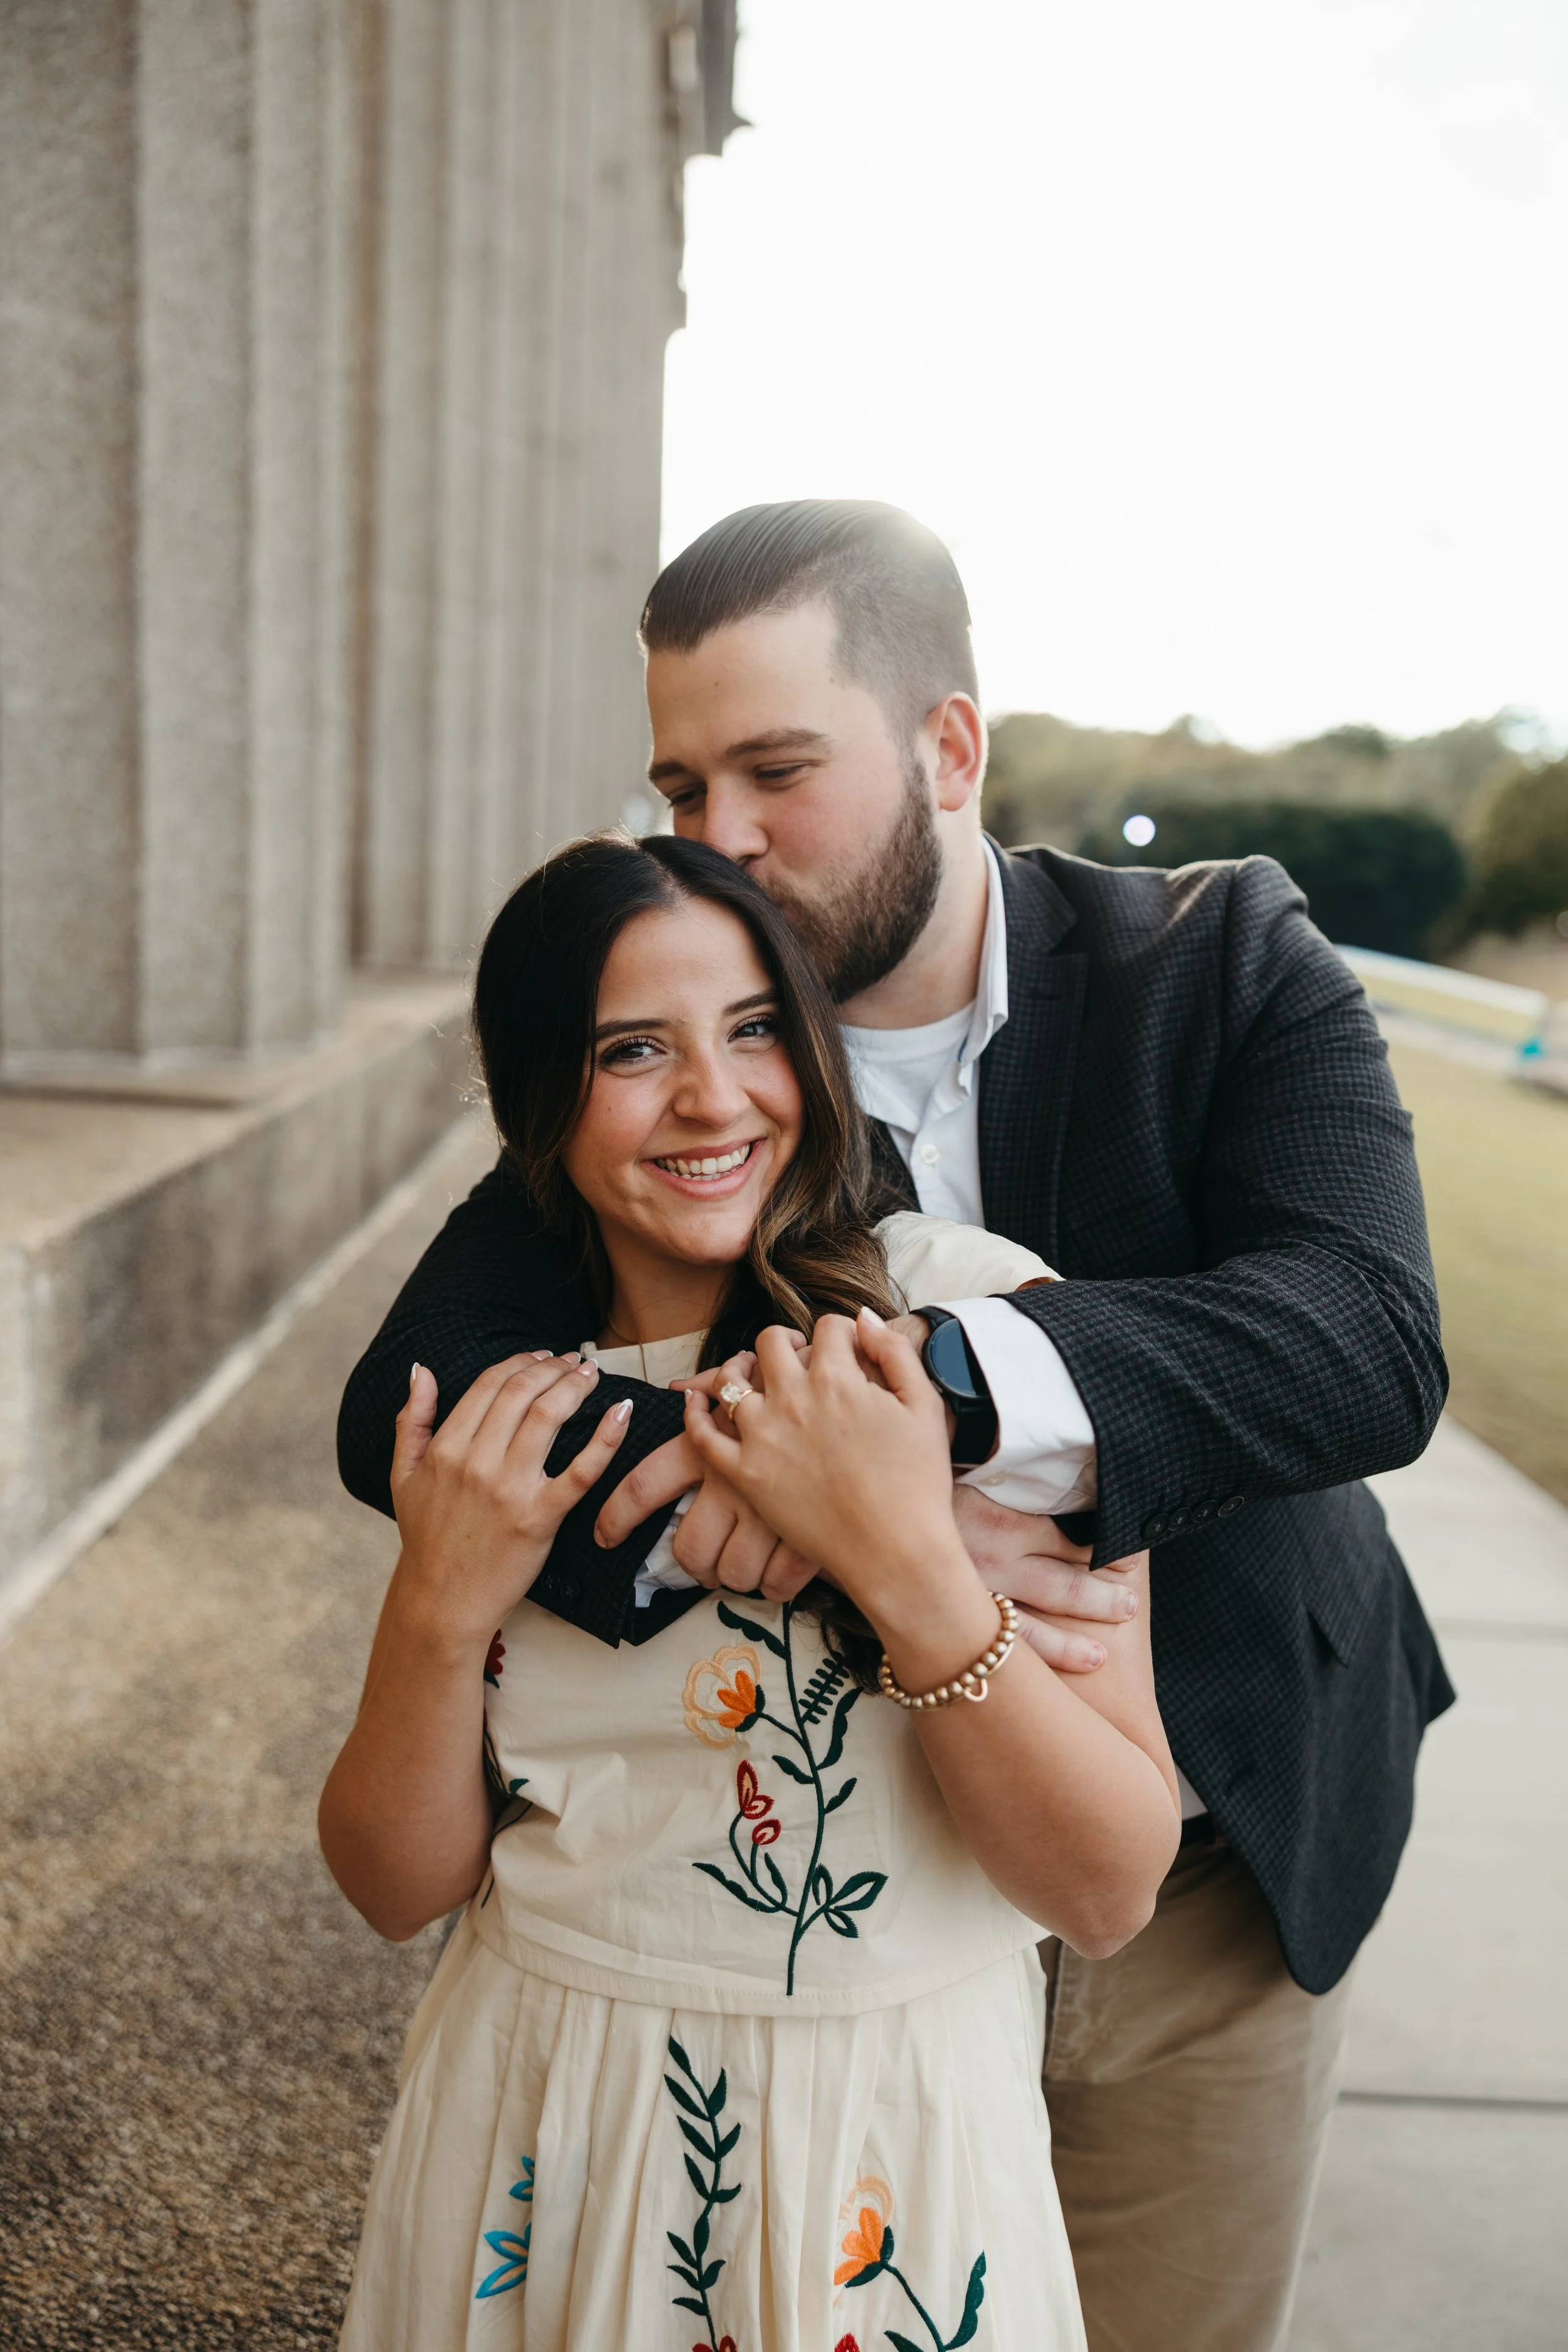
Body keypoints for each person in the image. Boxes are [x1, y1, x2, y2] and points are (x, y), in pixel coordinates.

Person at [337, 502, 1456, 2352]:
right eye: (681, 781)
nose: (720, 837)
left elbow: (1362, 1336)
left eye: (776, 768)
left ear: (949, 747)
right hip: (769, 1926)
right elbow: (411, 1401)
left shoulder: (1220, 959)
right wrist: (791, 1512)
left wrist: (908, 1408)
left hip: (1201, 1872)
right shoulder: (690, 1042)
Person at [320, 832, 1182, 2349]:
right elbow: (394, 1889)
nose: (713, 1100)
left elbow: (1108, 1892)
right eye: (630, 1051)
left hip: (893, 2142)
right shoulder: (503, 1411)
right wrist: (436, 1611)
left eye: (755, 1029)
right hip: (545, 2119)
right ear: (536, 1092)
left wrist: (907, 1564)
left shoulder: (983, 1328)